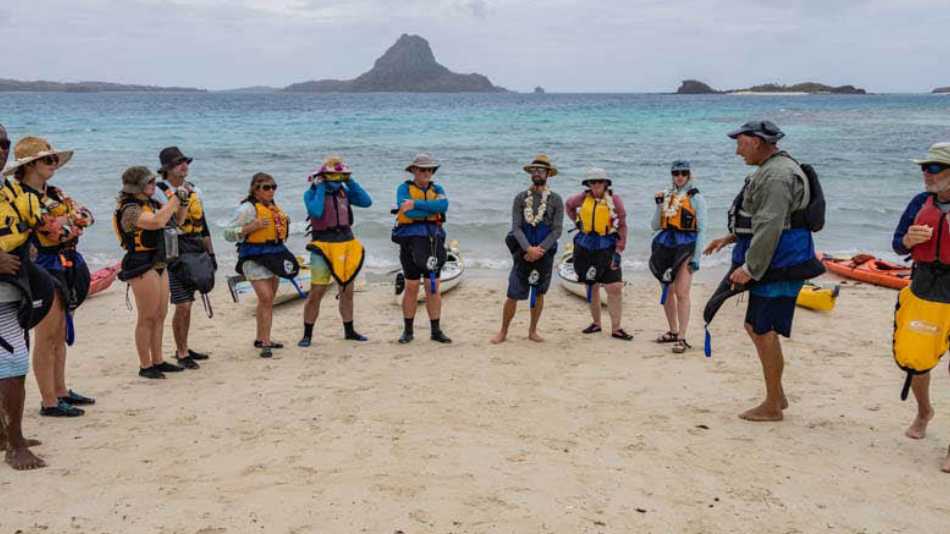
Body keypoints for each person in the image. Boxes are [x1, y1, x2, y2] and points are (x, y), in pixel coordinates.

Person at [704, 120, 823, 422]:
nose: (736, 151)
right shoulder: (773, 170)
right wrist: (730, 238)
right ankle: (777, 395)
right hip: (775, 262)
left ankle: (772, 405)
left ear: (756, 142)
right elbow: (766, 220)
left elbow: (771, 225)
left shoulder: (777, 176)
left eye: (740, 143)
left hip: (780, 264)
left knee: (762, 329)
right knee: (758, 328)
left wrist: (750, 268)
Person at [3, 137, 94, 417]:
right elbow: (49, 229)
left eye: (54, 159)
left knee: (60, 332)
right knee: (47, 333)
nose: (54, 164)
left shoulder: (54, 192)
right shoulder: (18, 195)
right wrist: (66, 223)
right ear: (30, 165)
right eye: (48, 160)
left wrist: (65, 224)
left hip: (65, 262)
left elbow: (86, 216)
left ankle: (61, 390)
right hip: (40, 264)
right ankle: (49, 400)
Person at [890, 142, 950, 473]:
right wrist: (909, 242)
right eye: (925, 167)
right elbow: (897, 244)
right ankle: (924, 410)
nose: (927, 173)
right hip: (925, 290)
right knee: (916, 363)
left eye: (936, 167)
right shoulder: (919, 203)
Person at [0, 125, 54, 469]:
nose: (1, 149)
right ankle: (15, 445)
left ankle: (4, 434)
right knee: (14, 361)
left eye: (4, 143)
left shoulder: (7, 190)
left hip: (12, 287)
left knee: (10, 357)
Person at [114, 166, 185, 379]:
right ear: (137, 186)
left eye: (154, 182)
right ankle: (145, 365)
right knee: (147, 316)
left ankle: (158, 359)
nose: (154, 186)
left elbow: (177, 222)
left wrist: (182, 202)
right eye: (149, 183)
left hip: (159, 260)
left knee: (160, 314)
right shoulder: (130, 210)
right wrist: (173, 201)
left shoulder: (153, 204)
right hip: (140, 262)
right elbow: (156, 222)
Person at [298, 156, 372, 348]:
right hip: (322, 245)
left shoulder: (344, 192)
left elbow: (366, 202)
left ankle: (349, 331)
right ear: (322, 176)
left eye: (339, 175)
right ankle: (307, 334)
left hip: (346, 242)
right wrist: (321, 187)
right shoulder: (311, 193)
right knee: (317, 291)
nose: (336, 179)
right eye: (332, 175)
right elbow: (315, 211)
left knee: (347, 291)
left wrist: (350, 181)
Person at [225, 173, 300, 358]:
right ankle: (266, 343)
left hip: (274, 255)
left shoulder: (273, 207)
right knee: (266, 298)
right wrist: (252, 227)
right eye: (266, 187)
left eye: (273, 187)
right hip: (253, 257)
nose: (271, 191)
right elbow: (227, 233)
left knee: (267, 301)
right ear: (255, 189)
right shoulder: (247, 209)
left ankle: (261, 338)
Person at [491, 155, 564, 344]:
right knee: (512, 293)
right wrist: (527, 249)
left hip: (544, 252)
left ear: (548, 174)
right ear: (531, 173)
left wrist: (540, 249)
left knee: (539, 292)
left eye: (541, 170)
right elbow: (516, 227)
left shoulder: (556, 200)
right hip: (522, 251)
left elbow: (557, 230)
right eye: (534, 170)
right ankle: (503, 331)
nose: (537, 173)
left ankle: (532, 331)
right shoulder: (520, 198)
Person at [153, 146, 214, 369]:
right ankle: (181, 351)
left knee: (190, 301)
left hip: (195, 247)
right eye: (179, 163)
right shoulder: (159, 192)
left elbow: (203, 223)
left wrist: (211, 252)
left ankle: (185, 346)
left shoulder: (194, 189)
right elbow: (163, 223)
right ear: (167, 169)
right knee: (183, 304)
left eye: (185, 161)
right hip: (174, 252)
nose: (184, 165)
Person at [565, 167, 632, 340]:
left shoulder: (615, 200)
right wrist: (578, 222)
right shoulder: (582, 198)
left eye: (599, 182)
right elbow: (569, 206)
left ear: (606, 183)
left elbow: (622, 225)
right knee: (591, 285)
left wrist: (619, 248)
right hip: (585, 244)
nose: (596, 185)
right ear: (588, 184)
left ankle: (616, 328)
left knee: (615, 287)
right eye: (592, 182)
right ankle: (596, 323)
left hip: (607, 244)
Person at [392, 153, 451, 344]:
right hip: (410, 241)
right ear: (414, 171)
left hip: (433, 241)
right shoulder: (403, 188)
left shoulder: (438, 188)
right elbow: (405, 209)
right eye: (422, 169)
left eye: (429, 169)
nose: (426, 172)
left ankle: (436, 330)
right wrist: (430, 208)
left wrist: (416, 204)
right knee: (411, 287)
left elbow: (443, 205)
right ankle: (408, 331)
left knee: (432, 287)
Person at [650, 160, 707, 353]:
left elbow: (702, 230)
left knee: (682, 292)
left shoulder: (696, 198)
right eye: (676, 173)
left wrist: (696, 258)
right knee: (667, 290)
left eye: (683, 173)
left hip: (686, 246)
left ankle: (682, 337)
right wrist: (659, 206)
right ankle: (673, 331)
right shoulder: (667, 196)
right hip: (666, 244)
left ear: (689, 174)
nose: (680, 176)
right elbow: (655, 226)